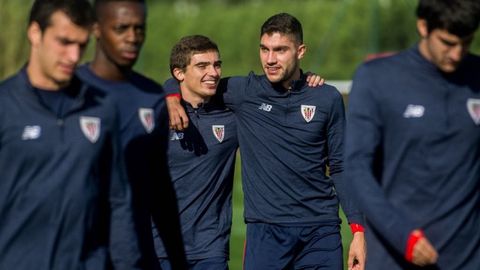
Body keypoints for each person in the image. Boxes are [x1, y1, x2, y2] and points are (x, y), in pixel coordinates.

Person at [166, 13, 366, 270]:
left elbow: (341, 167)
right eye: (264, 50)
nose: (270, 59)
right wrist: (171, 97)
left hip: (320, 231)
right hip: (266, 233)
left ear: (300, 51)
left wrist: (358, 231)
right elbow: (188, 78)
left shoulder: (326, 98)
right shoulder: (243, 92)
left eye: (280, 50)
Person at [0, 0, 142, 269]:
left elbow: (118, 201)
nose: (74, 56)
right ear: (34, 33)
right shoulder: (5, 106)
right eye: (64, 42)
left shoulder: (102, 109)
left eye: (81, 45)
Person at [344, 0, 480, 269]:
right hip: (397, 255)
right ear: (423, 27)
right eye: (447, 42)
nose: (457, 53)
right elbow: (356, 167)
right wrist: (402, 236)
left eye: (466, 43)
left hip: (467, 258)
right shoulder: (377, 79)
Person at [76, 0, 187, 269]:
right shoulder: (72, 91)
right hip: (80, 256)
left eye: (139, 29)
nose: (132, 38)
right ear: (96, 29)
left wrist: (179, 260)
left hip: (136, 256)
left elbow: (160, 190)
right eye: (121, 28)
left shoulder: (150, 97)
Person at [154, 35, 238, 270]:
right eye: (202, 66)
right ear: (179, 73)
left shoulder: (232, 117)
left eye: (217, 64)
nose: (213, 72)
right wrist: (170, 98)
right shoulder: (155, 117)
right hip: (160, 248)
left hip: (210, 251)